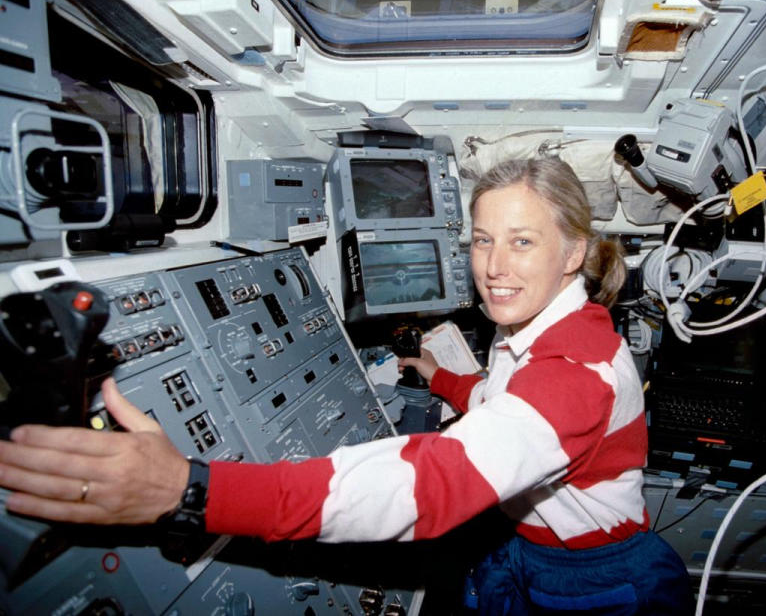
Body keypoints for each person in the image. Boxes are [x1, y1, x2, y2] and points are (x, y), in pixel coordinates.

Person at [0, 157, 692, 614]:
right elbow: (499, 398)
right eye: (482, 240)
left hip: (589, 578)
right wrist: (443, 378)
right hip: (524, 545)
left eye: (522, 242)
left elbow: (430, 485)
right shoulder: (544, 329)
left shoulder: (576, 373)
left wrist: (190, 491)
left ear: (574, 252)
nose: (493, 267)